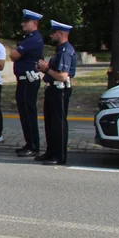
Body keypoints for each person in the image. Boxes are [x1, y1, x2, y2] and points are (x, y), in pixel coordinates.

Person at [35, 20, 77, 166]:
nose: (51, 36)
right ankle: (51, 152)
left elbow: (63, 75)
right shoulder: (60, 50)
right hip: (53, 88)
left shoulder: (66, 50)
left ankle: (59, 155)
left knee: (58, 123)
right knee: (50, 122)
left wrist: (47, 69)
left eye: (53, 33)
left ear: (60, 34)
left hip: (60, 89)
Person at [10, 9, 44, 157]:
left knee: (28, 114)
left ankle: (33, 145)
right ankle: (29, 143)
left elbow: (14, 55)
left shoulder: (32, 39)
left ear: (34, 23)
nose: (23, 24)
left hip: (28, 80)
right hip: (24, 80)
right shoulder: (29, 38)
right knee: (24, 113)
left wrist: (15, 53)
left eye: (26, 21)